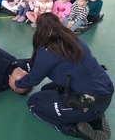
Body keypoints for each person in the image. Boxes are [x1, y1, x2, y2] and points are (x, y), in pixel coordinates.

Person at [10, 12, 113, 140]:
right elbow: (40, 63)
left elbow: (33, 79)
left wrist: (16, 84)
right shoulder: (73, 40)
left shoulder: (49, 50)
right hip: (104, 91)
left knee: (34, 103)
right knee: (47, 89)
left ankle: (74, 128)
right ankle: (94, 115)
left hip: (89, 101)